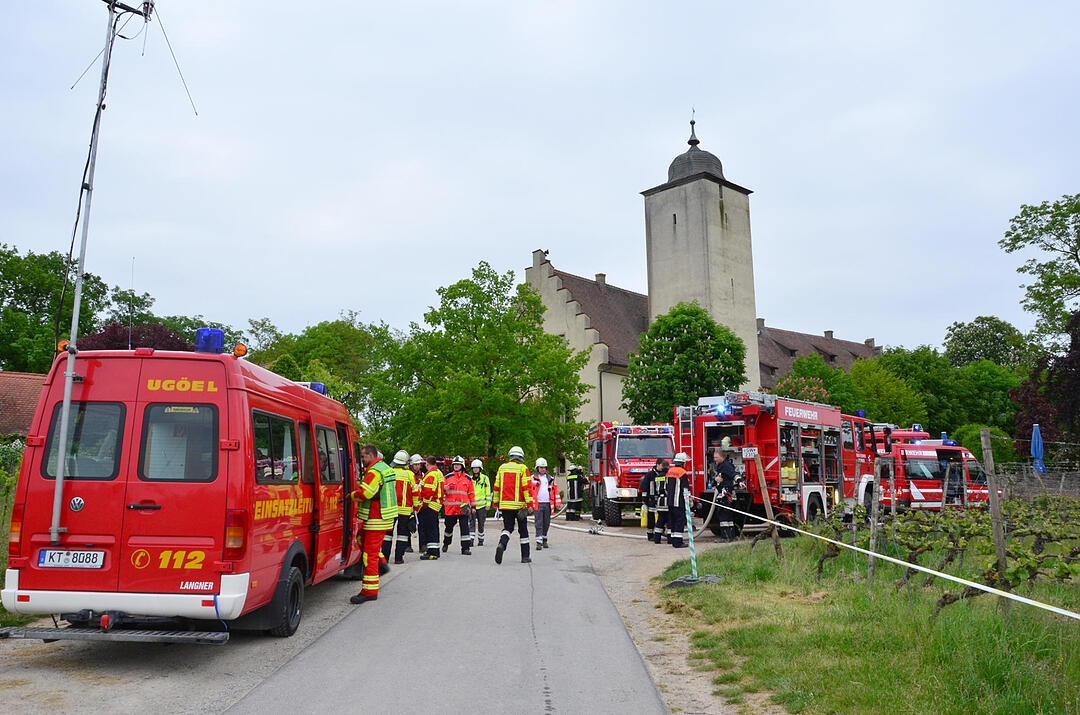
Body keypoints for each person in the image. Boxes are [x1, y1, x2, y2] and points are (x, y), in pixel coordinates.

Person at [349, 444, 398, 604]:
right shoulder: (385, 467)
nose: (362, 460)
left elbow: (365, 493)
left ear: (370, 455)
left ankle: (369, 591)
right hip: (383, 517)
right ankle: (382, 564)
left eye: (363, 457)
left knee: (369, 554)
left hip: (376, 518)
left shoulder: (374, 471)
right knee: (362, 539)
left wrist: (349, 496)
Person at [491, 445, 534, 564]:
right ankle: (525, 556)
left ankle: (502, 544)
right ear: (521, 457)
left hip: (505, 505)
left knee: (508, 528)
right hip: (520, 506)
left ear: (510, 456)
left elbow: (496, 487)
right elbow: (527, 488)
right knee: (523, 531)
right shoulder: (522, 468)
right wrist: (530, 504)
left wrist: (496, 503)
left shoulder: (502, 468)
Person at [382, 450, 417, 563]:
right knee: (402, 535)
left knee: (387, 534)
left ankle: (385, 558)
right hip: (405, 510)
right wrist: (416, 508)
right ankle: (398, 558)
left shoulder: (388, 472)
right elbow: (415, 493)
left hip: (390, 509)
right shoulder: (410, 475)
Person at [442, 456, 475, 555]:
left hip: (463, 509)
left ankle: (465, 548)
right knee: (448, 529)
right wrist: (444, 490)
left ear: (462, 466)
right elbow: (441, 492)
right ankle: (446, 543)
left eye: (458, 464)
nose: (456, 466)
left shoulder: (468, 479)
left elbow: (471, 494)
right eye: (455, 464)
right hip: (450, 509)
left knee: (465, 528)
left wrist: (473, 507)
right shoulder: (447, 477)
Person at [711, 445, 740, 542]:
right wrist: (715, 480)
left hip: (725, 493)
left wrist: (740, 481)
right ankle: (730, 536)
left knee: (723, 515)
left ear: (722, 457)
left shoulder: (726, 466)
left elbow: (734, 474)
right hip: (725, 492)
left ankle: (725, 537)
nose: (714, 459)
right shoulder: (720, 466)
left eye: (716, 457)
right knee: (727, 515)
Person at [417, 456, 444, 560]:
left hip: (430, 506)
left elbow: (428, 492)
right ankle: (435, 550)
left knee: (430, 530)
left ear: (427, 464)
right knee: (434, 529)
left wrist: (423, 504)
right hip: (436, 505)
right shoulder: (438, 473)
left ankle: (432, 553)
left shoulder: (431, 475)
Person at [531, 457, 561, 549]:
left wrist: (558, 503)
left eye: (544, 467)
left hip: (548, 504)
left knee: (546, 522)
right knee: (538, 522)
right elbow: (528, 491)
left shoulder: (550, 479)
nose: (543, 469)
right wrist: (529, 504)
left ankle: (544, 538)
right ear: (537, 468)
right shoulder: (532, 478)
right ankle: (539, 541)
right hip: (538, 504)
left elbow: (556, 491)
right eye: (541, 467)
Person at [665, 452, 691, 548]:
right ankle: (678, 542)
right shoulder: (682, 473)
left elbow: (666, 486)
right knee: (679, 521)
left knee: (672, 521)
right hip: (679, 501)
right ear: (683, 463)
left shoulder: (670, 471)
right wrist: (689, 499)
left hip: (670, 501)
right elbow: (685, 489)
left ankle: (672, 539)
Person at [639, 458, 667, 543]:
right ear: (657, 465)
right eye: (662, 466)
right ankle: (650, 534)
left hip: (660, 499)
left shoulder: (663, 474)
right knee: (651, 518)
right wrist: (644, 499)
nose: (663, 468)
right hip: (651, 499)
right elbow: (645, 487)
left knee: (661, 518)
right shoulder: (650, 475)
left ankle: (660, 533)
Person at [469, 458, 491, 546]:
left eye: (477, 468)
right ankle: (471, 540)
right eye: (474, 468)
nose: (475, 469)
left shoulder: (485, 479)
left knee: (481, 523)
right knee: (471, 523)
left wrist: (488, 504)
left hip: (482, 506)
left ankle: (481, 539)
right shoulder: (470, 479)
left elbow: (488, 492)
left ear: (480, 468)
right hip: (472, 505)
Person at [406, 453, 425, 552]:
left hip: (419, 504)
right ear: (411, 465)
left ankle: (422, 546)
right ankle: (407, 545)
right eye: (415, 464)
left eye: (419, 464)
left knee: (422, 526)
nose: (417, 466)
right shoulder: (408, 474)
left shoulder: (422, 475)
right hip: (409, 503)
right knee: (408, 525)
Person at [654, 459, 670, 544]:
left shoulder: (657, 476)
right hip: (667, 501)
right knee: (669, 521)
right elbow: (668, 488)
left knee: (660, 521)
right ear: (667, 467)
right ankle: (670, 540)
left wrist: (656, 501)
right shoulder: (668, 476)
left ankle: (657, 539)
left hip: (660, 500)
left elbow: (655, 490)